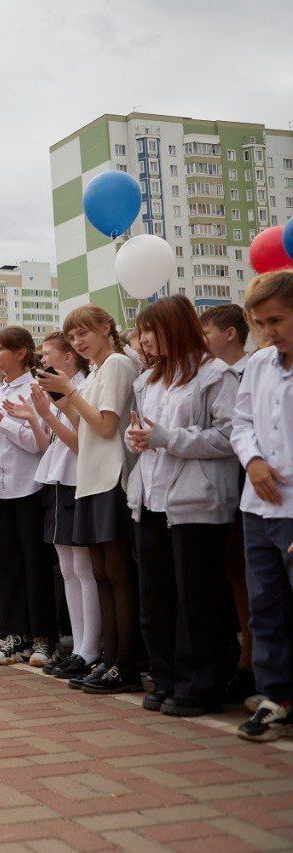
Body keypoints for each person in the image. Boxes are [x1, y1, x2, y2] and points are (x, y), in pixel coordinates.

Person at [125, 294, 240, 717]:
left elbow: (230, 438)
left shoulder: (214, 375)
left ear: (173, 328)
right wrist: (138, 439)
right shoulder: (147, 379)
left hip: (196, 501)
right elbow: (141, 430)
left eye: (151, 330)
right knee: (156, 593)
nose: (144, 339)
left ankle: (202, 683)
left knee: (197, 596)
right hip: (151, 497)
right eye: (141, 331)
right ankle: (167, 675)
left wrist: (167, 438)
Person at [38, 305, 140, 694]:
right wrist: (60, 402)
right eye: (73, 335)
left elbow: (105, 424)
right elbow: (85, 431)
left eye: (85, 333)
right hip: (91, 478)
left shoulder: (115, 364)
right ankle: (108, 658)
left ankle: (124, 663)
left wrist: (70, 393)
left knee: (116, 573)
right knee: (100, 574)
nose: (79, 341)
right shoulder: (97, 371)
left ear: (105, 328)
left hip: (113, 476)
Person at [231, 270, 293, 742]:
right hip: (259, 508)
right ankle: (277, 697)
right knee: (265, 605)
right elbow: (242, 421)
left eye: (277, 320)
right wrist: (252, 460)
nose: (269, 332)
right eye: (260, 323)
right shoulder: (258, 365)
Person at [0, 328, 54, 667]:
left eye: (2, 349)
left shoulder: (34, 389)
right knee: (6, 566)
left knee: (35, 565)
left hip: (28, 487)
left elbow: (36, 443)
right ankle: (14, 634)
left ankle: (43, 638)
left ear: (21, 353)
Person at [25, 332, 98, 680]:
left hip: (76, 480)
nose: (42, 363)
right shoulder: (59, 392)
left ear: (68, 358)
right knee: (67, 567)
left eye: (47, 355)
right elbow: (48, 443)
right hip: (56, 480)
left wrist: (48, 412)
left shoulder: (79, 389)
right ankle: (80, 645)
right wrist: (38, 414)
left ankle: (90, 648)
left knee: (83, 568)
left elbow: (78, 443)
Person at [200, 303, 257, 703]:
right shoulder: (211, 375)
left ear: (231, 334)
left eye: (208, 333)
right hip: (228, 486)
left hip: (255, 481)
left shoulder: (254, 370)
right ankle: (243, 659)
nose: (203, 342)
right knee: (233, 573)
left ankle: (254, 663)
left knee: (254, 578)